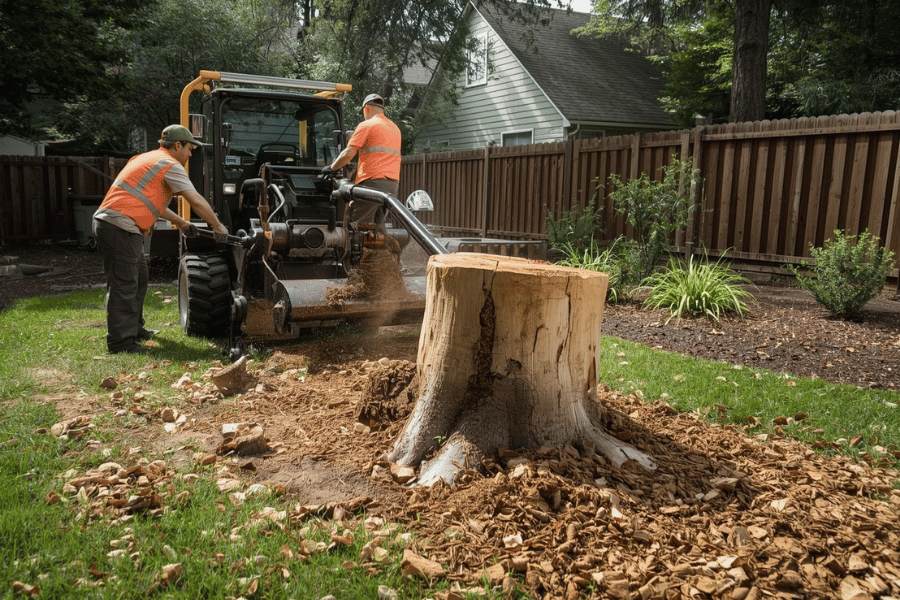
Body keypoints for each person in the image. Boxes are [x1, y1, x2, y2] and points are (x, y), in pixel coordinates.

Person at [93, 124, 229, 355]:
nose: (190, 154)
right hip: (119, 226)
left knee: (139, 277)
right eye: (189, 149)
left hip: (116, 225)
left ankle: (135, 330)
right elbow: (194, 199)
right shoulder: (169, 164)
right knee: (124, 285)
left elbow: (155, 204)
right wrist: (217, 225)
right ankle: (121, 344)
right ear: (177, 145)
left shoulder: (147, 159)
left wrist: (183, 224)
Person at [322, 93, 402, 224]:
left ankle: (353, 245)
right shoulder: (395, 129)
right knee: (378, 226)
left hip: (372, 182)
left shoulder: (367, 125)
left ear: (367, 109)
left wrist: (332, 168)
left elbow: (349, 153)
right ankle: (386, 245)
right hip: (392, 184)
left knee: (357, 223)